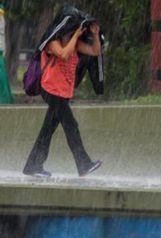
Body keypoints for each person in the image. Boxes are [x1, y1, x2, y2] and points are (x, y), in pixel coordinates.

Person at [23, 19, 103, 178]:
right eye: (70, 30)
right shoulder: (52, 42)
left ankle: (33, 165)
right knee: (71, 126)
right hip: (51, 89)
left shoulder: (76, 44)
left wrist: (95, 34)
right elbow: (64, 55)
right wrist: (74, 37)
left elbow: (95, 51)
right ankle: (83, 164)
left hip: (63, 93)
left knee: (47, 131)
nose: (73, 32)